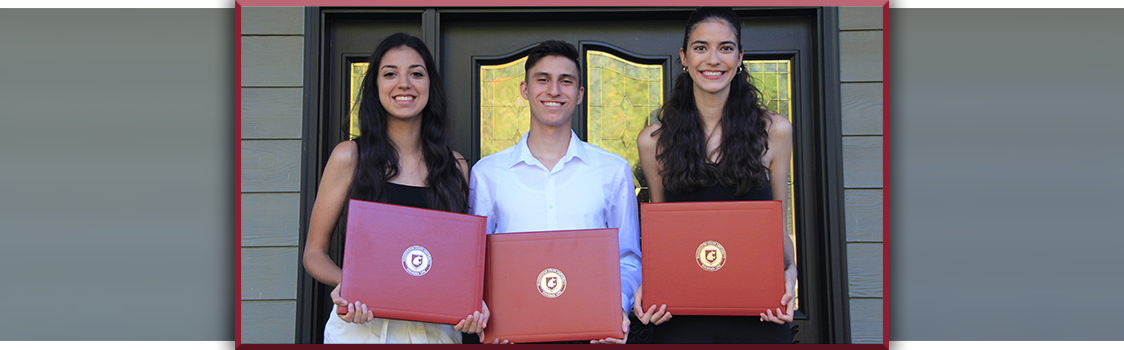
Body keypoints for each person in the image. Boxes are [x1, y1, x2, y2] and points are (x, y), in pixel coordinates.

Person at [301, 33, 487, 344]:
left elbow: (457, 264)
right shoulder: (350, 157)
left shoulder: (455, 167)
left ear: (430, 86)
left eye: (416, 73)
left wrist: (471, 304)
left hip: (433, 331)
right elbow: (313, 254)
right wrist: (352, 285)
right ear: (375, 86)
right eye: (390, 74)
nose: (404, 84)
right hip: (364, 328)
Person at [633, 7, 796, 344]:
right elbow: (661, 238)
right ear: (684, 57)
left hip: (758, 312)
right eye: (700, 47)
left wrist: (791, 273)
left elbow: (778, 226)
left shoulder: (775, 131)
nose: (713, 59)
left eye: (725, 48)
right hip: (681, 315)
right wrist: (647, 286)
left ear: (739, 58)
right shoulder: (653, 142)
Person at [467, 40, 640, 344]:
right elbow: (474, 261)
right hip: (512, 334)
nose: (554, 91)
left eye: (566, 81)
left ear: (580, 94)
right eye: (543, 79)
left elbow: (627, 256)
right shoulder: (487, 173)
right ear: (524, 89)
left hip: (591, 332)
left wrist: (616, 308)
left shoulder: (612, 170)